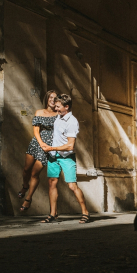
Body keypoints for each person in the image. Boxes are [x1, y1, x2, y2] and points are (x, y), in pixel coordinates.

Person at [40, 94, 91, 224]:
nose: (55, 108)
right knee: (52, 183)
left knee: (72, 186)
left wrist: (51, 148)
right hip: (54, 156)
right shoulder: (59, 116)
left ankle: (85, 212)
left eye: (58, 106)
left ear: (66, 107)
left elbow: (70, 145)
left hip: (66, 156)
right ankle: (53, 214)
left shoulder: (72, 122)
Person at [19, 90, 59, 212]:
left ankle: (28, 198)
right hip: (37, 143)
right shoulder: (40, 112)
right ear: (47, 99)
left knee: (34, 173)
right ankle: (25, 186)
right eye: (50, 97)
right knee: (26, 169)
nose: (52, 100)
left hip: (48, 147)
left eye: (55, 98)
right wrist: (41, 143)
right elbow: (36, 130)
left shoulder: (59, 114)